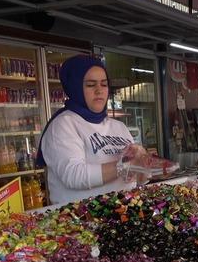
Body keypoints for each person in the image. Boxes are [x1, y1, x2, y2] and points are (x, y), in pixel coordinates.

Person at [36, 55, 137, 205]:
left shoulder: (119, 127)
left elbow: (136, 175)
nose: (99, 91)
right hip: (81, 222)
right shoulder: (63, 125)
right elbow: (74, 175)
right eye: (91, 85)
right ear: (75, 87)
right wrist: (124, 166)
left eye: (104, 84)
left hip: (125, 216)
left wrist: (145, 166)